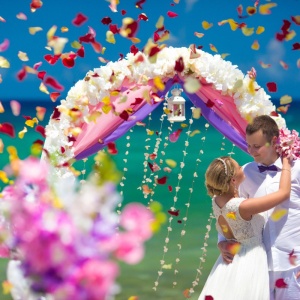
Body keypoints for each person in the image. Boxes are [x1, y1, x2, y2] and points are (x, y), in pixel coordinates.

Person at [217, 115, 300, 300]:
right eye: (249, 145)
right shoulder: (245, 173)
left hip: (294, 263)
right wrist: (222, 240)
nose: (251, 151)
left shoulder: (297, 169)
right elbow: (231, 211)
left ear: (274, 141)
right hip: (257, 264)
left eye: (257, 146)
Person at [198, 154, 291, 300]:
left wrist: (222, 243)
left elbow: (228, 231)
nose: (243, 167)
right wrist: (286, 164)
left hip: (231, 260)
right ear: (233, 180)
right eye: (239, 167)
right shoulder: (242, 207)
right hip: (250, 260)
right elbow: (283, 193)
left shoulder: (216, 201)